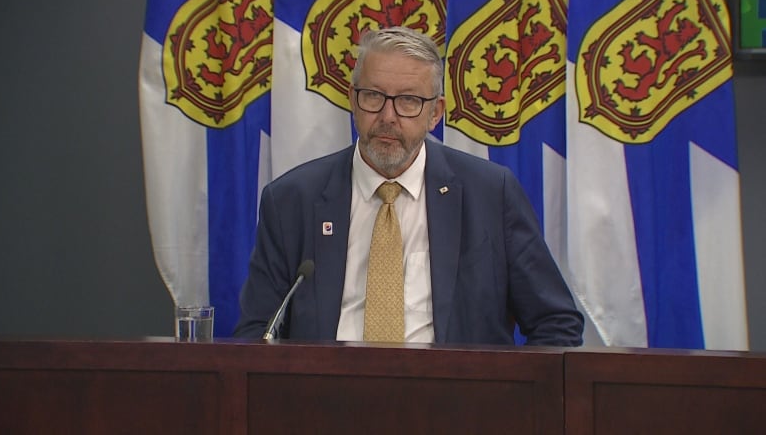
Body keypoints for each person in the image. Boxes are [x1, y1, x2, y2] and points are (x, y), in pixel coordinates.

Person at [233, 26, 583, 346]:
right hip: (328, 402)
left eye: (408, 101)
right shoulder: (292, 200)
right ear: (353, 100)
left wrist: (507, 403)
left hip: (455, 404)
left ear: (435, 113)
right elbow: (257, 333)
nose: (388, 116)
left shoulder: (490, 194)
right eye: (374, 96)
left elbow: (556, 322)